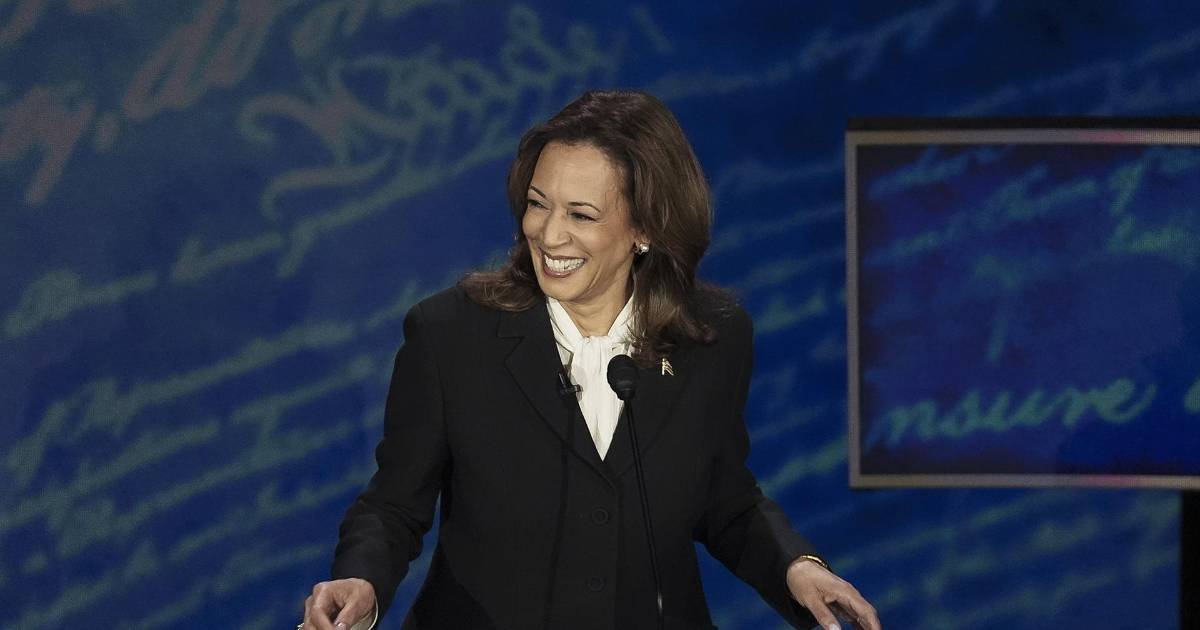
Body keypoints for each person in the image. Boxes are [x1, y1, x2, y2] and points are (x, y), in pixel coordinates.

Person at [301, 90, 881, 630]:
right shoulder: (451, 334)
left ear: (646, 227)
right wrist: (362, 579)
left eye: (581, 215)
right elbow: (394, 504)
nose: (549, 235)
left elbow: (724, 497)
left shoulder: (712, 338)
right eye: (538, 204)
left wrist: (795, 566)